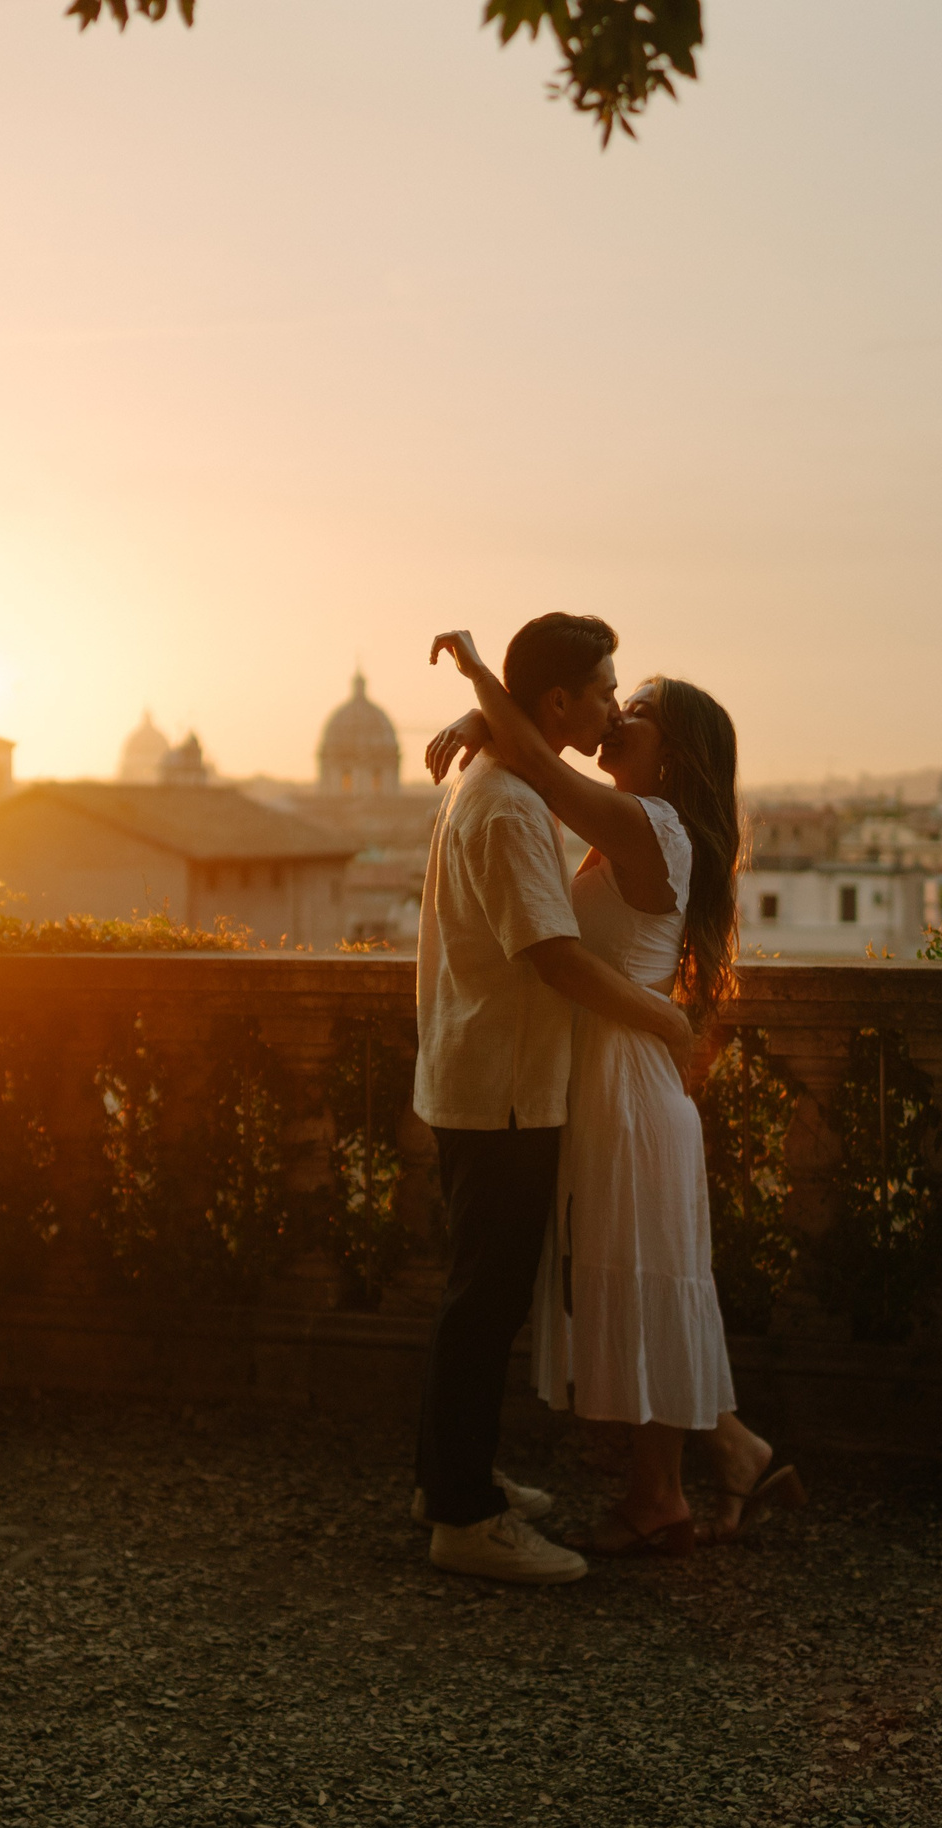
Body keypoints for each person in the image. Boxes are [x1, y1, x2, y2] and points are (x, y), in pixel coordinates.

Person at [426, 628, 804, 1555]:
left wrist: (484, 683)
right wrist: (496, 711)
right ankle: (735, 1453)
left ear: (674, 751)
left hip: (625, 1078)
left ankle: (659, 1500)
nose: (618, 716)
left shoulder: (651, 825)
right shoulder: (629, 821)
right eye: (613, 698)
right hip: (600, 1074)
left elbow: (549, 779)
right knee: (626, 1280)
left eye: (636, 711)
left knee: (639, 1282)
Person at [409, 613, 699, 1586]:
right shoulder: (507, 805)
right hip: (505, 1085)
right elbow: (552, 956)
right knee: (482, 1304)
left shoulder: (500, 784)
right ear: (561, 703)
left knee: (479, 1297)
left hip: (489, 1077)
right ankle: (462, 1514)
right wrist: (665, 1022)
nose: (616, 706)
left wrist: (485, 707)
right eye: (607, 690)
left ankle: (451, 1477)